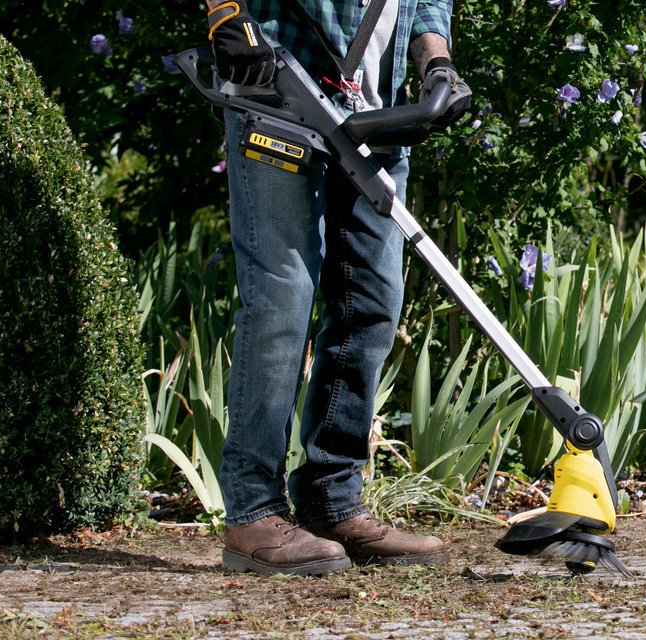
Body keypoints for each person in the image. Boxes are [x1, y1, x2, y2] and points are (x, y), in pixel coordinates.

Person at [202, 0, 471, 576]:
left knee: (371, 303)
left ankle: (331, 500)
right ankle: (252, 511)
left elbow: (425, 6)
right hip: (277, 92)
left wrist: (439, 68)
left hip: (374, 116)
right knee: (283, 295)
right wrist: (225, 15)